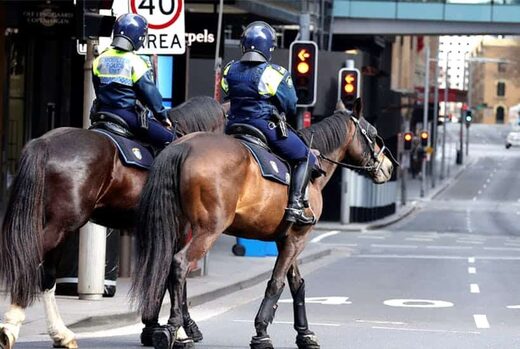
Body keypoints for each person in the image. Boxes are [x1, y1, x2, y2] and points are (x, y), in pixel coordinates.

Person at [221, 21, 317, 225]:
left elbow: (227, 95)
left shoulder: (230, 69)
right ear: (268, 48)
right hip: (263, 126)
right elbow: (291, 105)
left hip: (233, 126)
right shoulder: (274, 73)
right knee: (306, 157)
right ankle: (296, 205)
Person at [91, 13, 174, 148]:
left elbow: (97, 89)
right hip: (126, 115)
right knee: (172, 139)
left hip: (102, 113)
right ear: (139, 37)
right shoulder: (135, 61)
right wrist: (163, 117)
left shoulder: (99, 59)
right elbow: (150, 93)